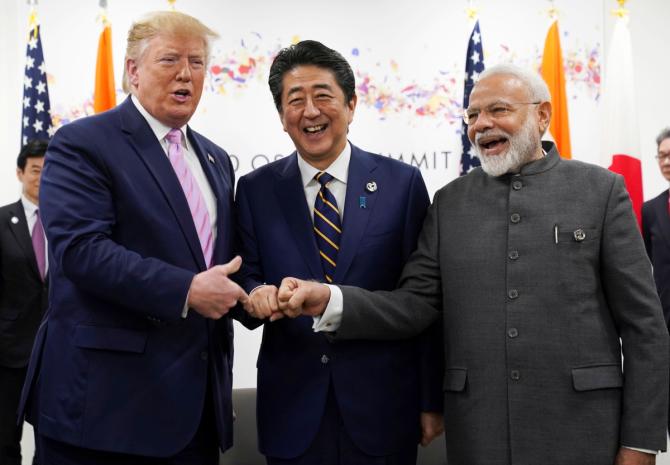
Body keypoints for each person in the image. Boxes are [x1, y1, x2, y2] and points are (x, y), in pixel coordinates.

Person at [274, 64, 669, 465]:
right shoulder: (450, 202)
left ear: (543, 115)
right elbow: (415, 304)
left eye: (498, 110)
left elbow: (645, 327)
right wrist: (330, 300)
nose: (482, 125)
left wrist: (640, 441)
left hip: (582, 432)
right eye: (473, 115)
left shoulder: (600, 191)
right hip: (480, 434)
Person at [17, 11, 248, 465]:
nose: (186, 73)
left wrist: (257, 296)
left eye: (197, 62)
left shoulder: (217, 160)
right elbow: (81, 252)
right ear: (132, 71)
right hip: (106, 413)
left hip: (195, 413)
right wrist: (186, 289)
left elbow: (221, 263)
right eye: (170, 60)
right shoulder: (82, 143)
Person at [234, 40, 444, 465]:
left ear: (351, 104)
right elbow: (245, 276)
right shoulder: (255, 190)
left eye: (323, 96)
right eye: (295, 100)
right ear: (281, 117)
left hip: (383, 408)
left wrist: (430, 398)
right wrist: (254, 295)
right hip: (292, 410)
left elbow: (424, 300)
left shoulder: (400, 184)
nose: (310, 111)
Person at [0, 140, 48, 465]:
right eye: (35, 170)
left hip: (58, 350)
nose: (43, 177)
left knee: (54, 439)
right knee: (5, 441)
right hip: (9, 352)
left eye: (50, 171)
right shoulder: (2, 221)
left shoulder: (71, 221)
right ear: (20, 172)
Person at [641, 126, 670, 435]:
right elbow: (650, 263)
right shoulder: (650, 210)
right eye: (661, 156)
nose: (666, 162)